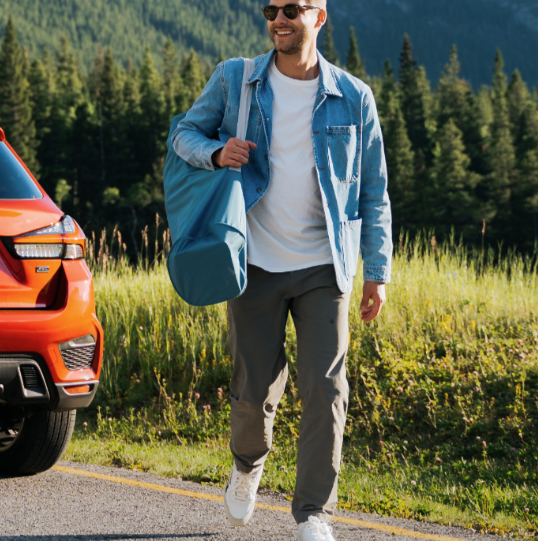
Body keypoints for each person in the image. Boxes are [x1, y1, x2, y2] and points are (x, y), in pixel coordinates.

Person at [168, 0, 393, 539]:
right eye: (271, 9)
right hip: (253, 263)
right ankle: (247, 464)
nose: (279, 19)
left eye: (292, 8)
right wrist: (219, 151)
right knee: (253, 393)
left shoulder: (353, 96)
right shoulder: (235, 80)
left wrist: (377, 270)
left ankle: (314, 513)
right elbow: (182, 136)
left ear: (319, 17)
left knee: (326, 388)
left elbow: (374, 192)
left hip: (324, 266)